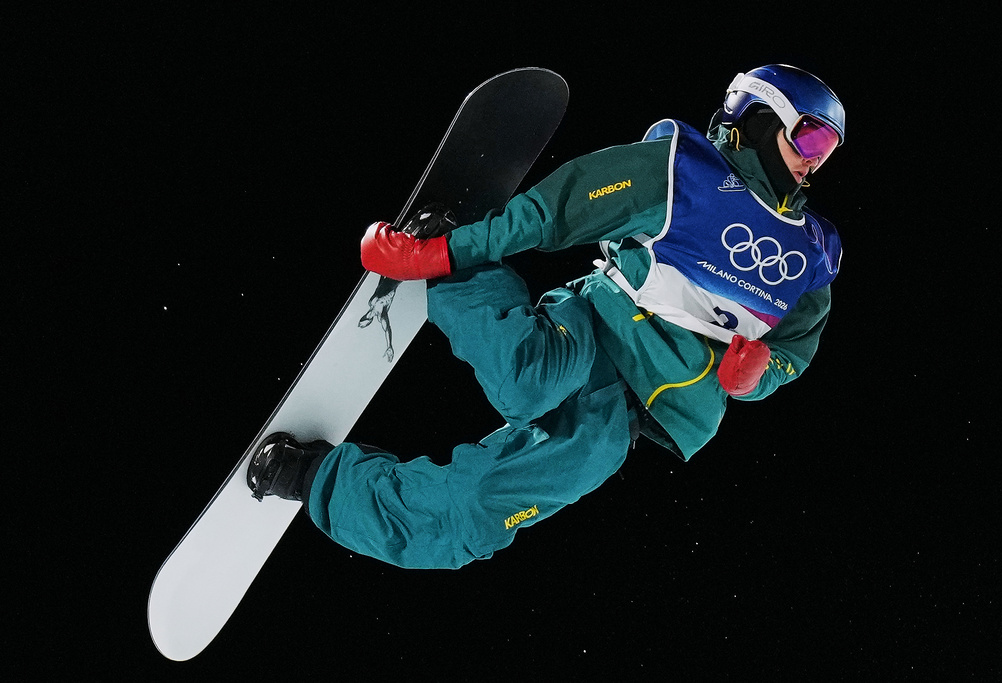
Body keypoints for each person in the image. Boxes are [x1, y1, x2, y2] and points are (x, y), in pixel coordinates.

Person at [247, 64, 846, 569]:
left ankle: (313, 479)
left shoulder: (815, 252)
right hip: (597, 327)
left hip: (627, 418)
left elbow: (792, 354)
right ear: (760, 119)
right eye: (811, 138)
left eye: (829, 151)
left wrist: (752, 379)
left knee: (476, 514)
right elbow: (558, 210)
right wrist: (448, 250)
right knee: (527, 381)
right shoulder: (684, 175)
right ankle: (458, 277)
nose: (815, 161)